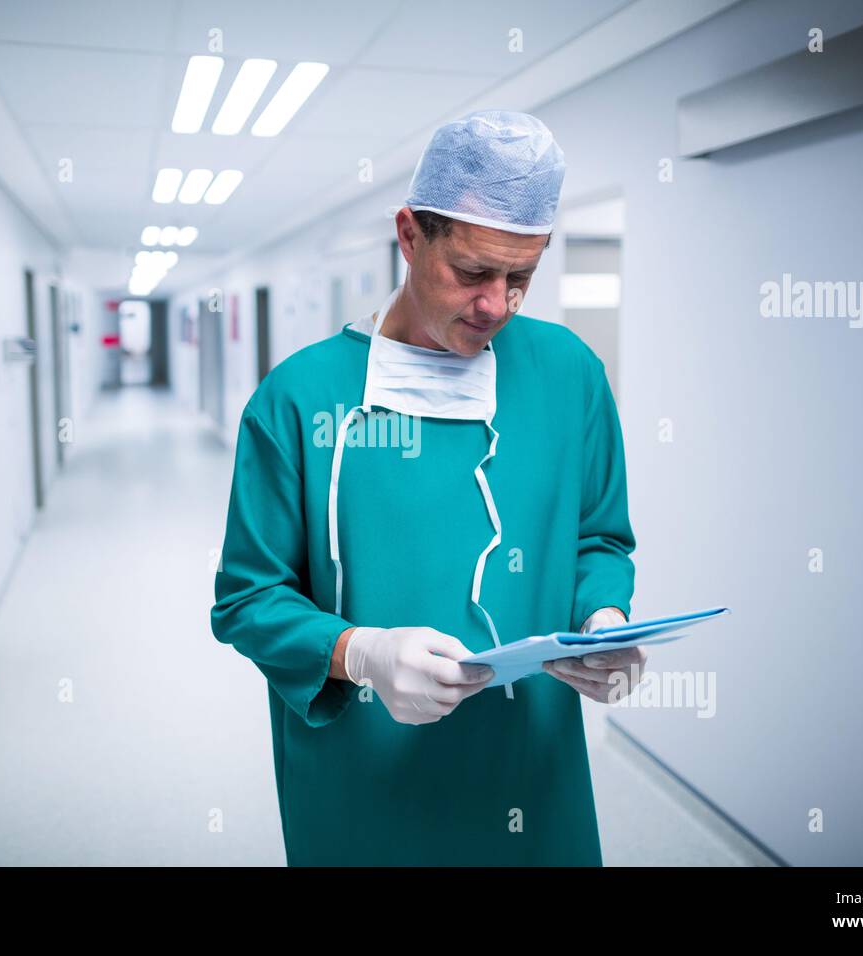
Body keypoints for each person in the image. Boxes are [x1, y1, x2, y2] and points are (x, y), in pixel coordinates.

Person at [210, 110, 641, 865]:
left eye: (522, 278)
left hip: (532, 771)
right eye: (472, 272)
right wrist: (363, 652)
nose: (496, 306)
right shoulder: (301, 399)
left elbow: (597, 538)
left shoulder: (570, 376)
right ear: (409, 235)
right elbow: (248, 600)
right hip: (363, 782)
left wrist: (604, 621)